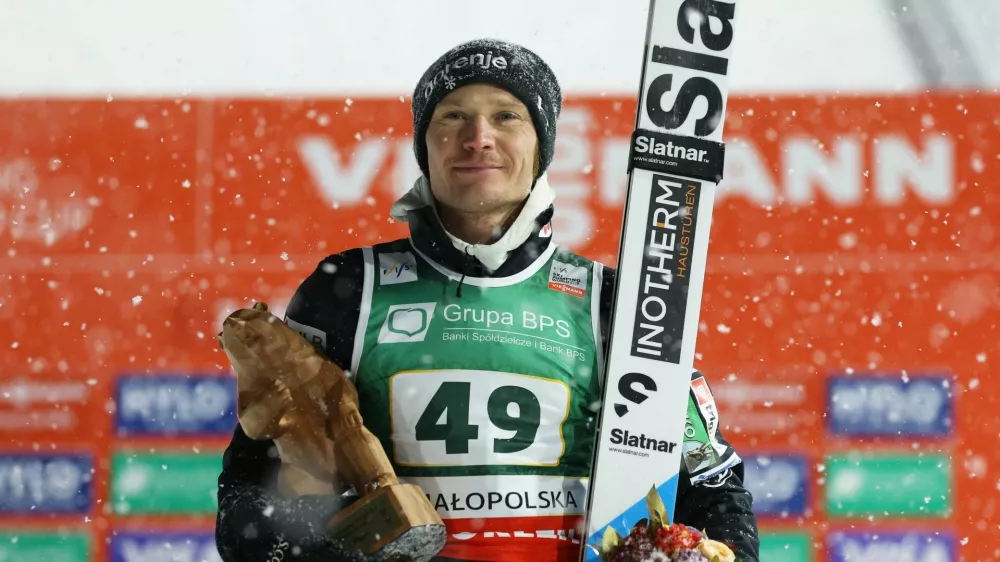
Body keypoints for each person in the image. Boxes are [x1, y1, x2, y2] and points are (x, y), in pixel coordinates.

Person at [214, 38, 760, 562]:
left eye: (506, 116)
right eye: (452, 116)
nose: (478, 137)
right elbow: (250, 500)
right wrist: (335, 551)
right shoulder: (348, 289)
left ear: (542, 146)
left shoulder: (614, 301)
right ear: (424, 144)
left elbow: (711, 484)